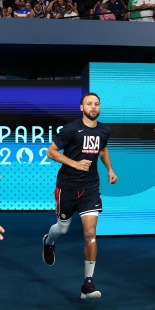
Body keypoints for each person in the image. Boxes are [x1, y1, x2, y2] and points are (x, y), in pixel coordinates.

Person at [42, 93, 118, 299]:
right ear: (81, 107)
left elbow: (102, 150)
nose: (93, 107)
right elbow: (51, 152)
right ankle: (48, 241)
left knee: (90, 234)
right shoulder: (71, 129)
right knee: (62, 229)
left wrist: (110, 169)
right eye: (89, 104)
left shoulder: (104, 129)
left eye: (96, 104)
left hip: (90, 187)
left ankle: (88, 283)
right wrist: (75, 163)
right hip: (67, 187)